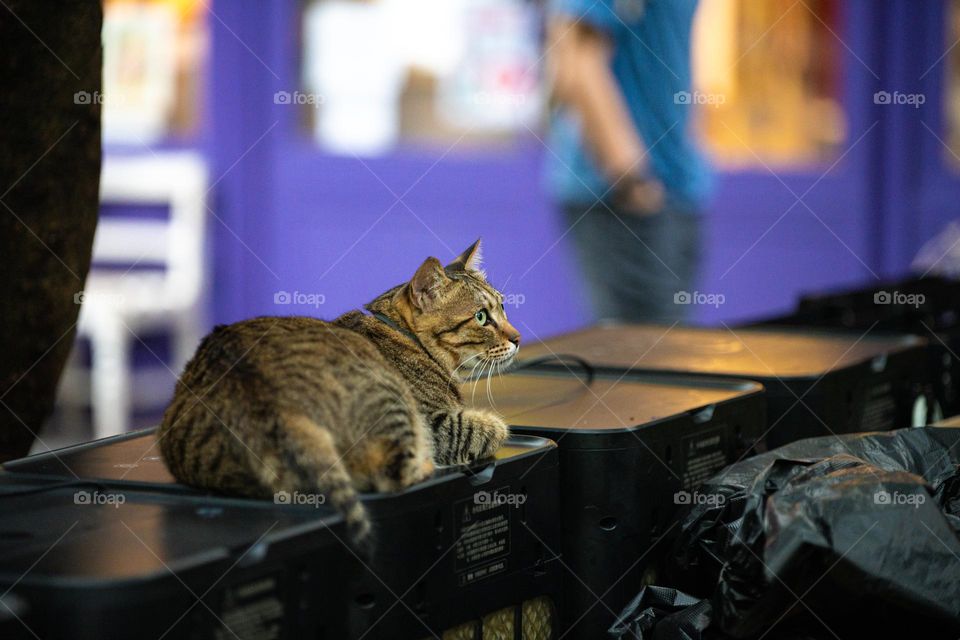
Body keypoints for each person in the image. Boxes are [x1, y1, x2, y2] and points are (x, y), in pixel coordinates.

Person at [545, 0, 712, 323]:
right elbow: (575, 62)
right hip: (626, 197)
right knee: (644, 361)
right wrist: (632, 181)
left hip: (675, 188)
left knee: (667, 354)